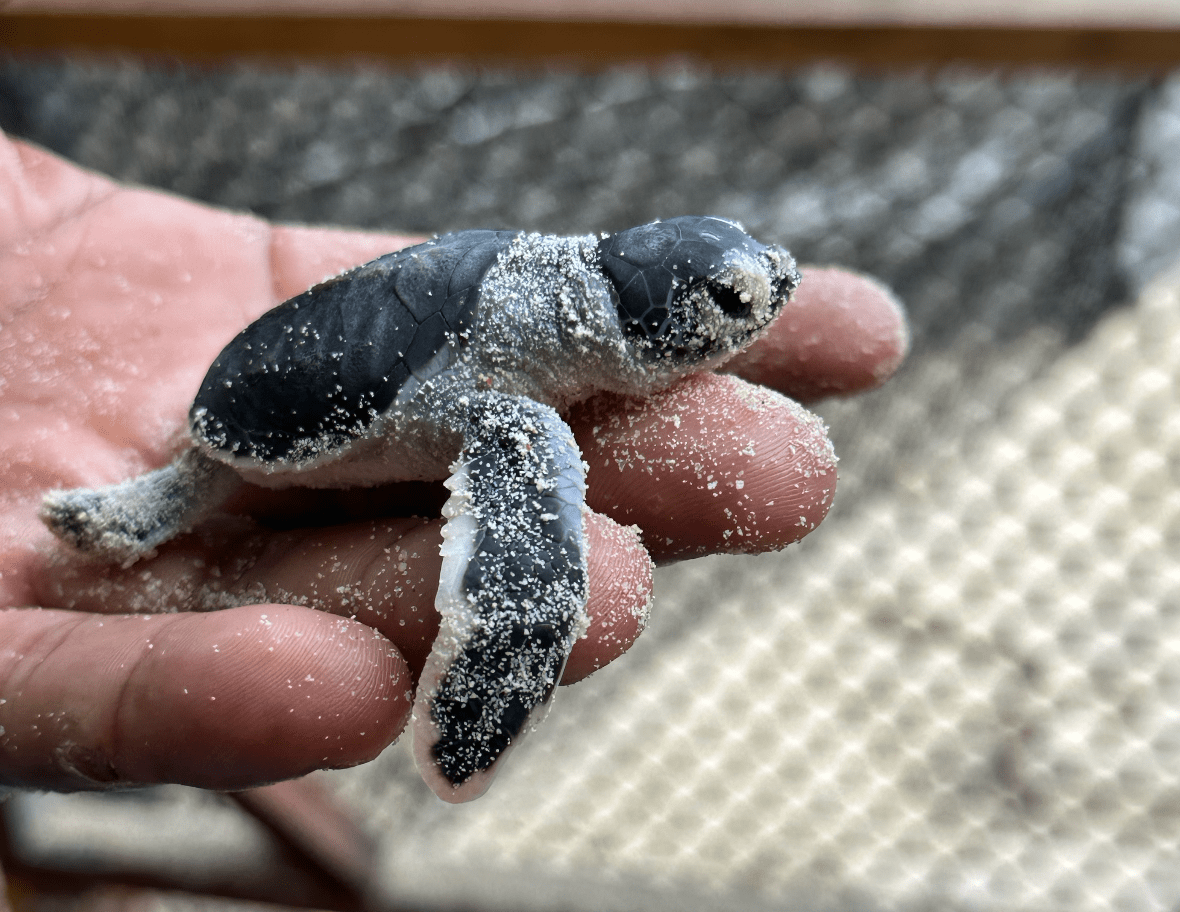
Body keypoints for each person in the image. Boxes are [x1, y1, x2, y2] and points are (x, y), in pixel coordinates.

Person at [0, 131, 907, 794]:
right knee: (220, 474)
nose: (771, 294)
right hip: (291, 411)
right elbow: (527, 574)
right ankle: (154, 502)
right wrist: (495, 673)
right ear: (642, 336)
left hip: (305, 356)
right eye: (735, 300)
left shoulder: (550, 285)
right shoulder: (519, 412)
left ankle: (146, 502)